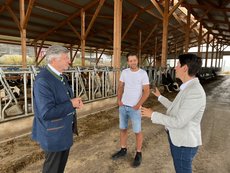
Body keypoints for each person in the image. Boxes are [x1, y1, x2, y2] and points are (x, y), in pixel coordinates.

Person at [141, 53, 206, 173]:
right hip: (178, 139)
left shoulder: (194, 92)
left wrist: (153, 115)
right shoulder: (187, 87)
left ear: (185, 68)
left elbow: (178, 122)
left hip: (184, 144)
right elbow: (175, 108)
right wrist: (160, 97)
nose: (175, 68)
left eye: (177, 65)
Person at [32, 45, 83, 173]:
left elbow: (64, 99)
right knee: (52, 169)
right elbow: (46, 112)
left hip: (63, 131)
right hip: (53, 134)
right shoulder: (43, 80)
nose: (69, 61)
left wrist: (75, 102)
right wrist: (71, 104)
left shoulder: (61, 77)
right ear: (55, 60)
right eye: (66, 58)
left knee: (59, 168)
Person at [112, 53, 150, 167]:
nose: (132, 62)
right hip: (123, 106)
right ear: (127, 62)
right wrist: (119, 101)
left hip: (135, 108)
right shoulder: (125, 72)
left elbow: (147, 91)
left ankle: (138, 153)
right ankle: (123, 149)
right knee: (123, 129)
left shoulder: (143, 73)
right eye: (130, 60)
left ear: (137, 60)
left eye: (134, 60)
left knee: (137, 131)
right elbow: (120, 86)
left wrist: (138, 105)